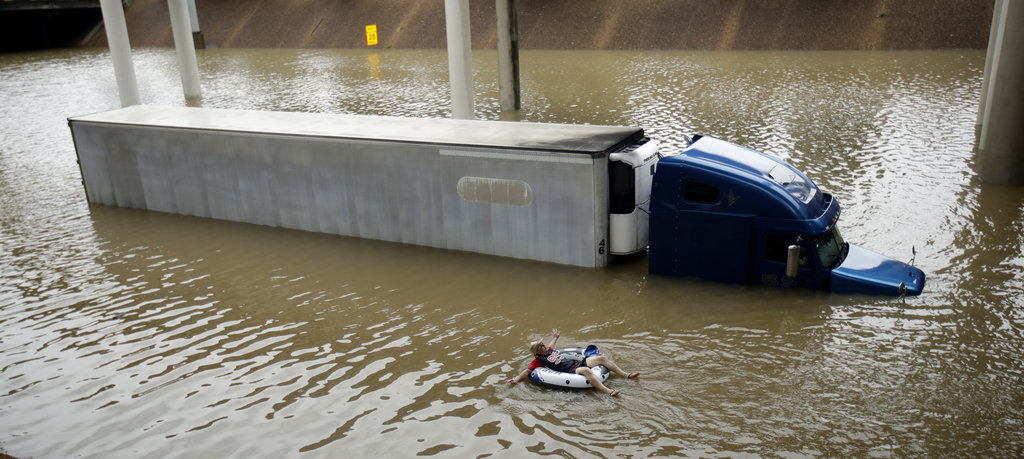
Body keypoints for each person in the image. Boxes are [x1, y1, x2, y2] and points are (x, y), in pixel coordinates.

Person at [506, 328, 639, 396]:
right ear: (537, 352)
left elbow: (552, 344)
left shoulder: (550, 350)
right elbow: (527, 371)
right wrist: (516, 380)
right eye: (540, 346)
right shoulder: (538, 361)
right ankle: (608, 391)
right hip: (571, 371)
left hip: (579, 362)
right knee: (586, 371)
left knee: (602, 359)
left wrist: (556, 337)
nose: (543, 345)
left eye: (542, 343)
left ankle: (625, 375)